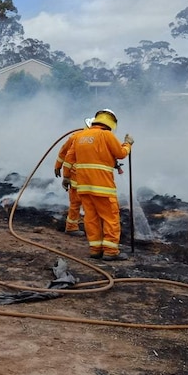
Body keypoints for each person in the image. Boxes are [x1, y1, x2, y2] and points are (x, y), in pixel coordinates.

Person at [65, 109, 134, 261]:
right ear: (110, 124)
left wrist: (65, 176)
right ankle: (110, 251)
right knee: (110, 218)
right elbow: (121, 153)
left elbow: (69, 157)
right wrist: (128, 144)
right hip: (103, 186)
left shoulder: (80, 136)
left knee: (91, 218)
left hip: (83, 187)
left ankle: (95, 249)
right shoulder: (107, 135)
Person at [53, 119, 92, 236]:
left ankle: (73, 227)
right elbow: (64, 153)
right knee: (86, 205)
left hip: (82, 177)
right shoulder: (76, 137)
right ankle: (86, 230)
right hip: (82, 178)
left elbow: (63, 153)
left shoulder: (78, 137)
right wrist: (58, 167)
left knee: (78, 205)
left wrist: (59, 167)